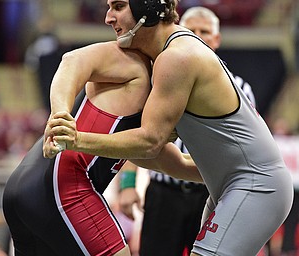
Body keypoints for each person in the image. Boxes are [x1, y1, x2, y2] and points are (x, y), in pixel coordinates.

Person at [44, 0, 294, 255]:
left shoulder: (177, 57)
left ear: (146, 9)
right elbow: (164, 158)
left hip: (254, 184)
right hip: (231, 184)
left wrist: (77, 140)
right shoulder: (169, 56)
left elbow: (150, 142)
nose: (108, 17)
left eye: (118, 7)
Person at [3, 41, 199, 256]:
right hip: (62, 185)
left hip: (22, 186)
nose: (109, 17)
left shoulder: (139, 139)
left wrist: (234, 174)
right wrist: (60, 117)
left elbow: (178, 163)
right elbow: (72, 61)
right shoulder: (138, 65)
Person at [117, 6, 258, 256]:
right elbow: (139, 135)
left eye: (205, 31)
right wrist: (127, 185)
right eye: (192, 30)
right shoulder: (159, 80)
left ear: (217, 39)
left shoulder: (240, 89)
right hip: (164, 194)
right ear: (181, 31)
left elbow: (245, 149)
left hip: (210, 192)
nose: (198, 35)